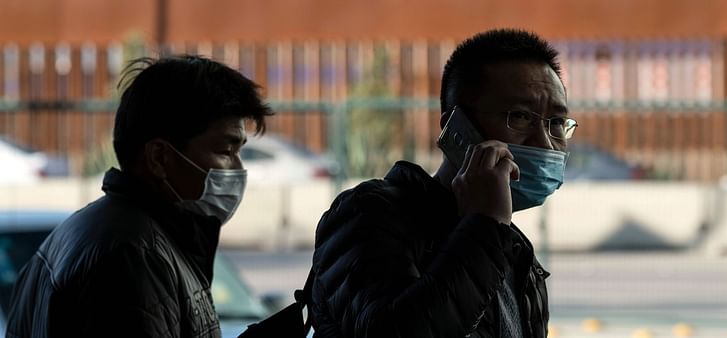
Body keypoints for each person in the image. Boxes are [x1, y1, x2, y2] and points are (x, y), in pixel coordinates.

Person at [308, 29, 577, 338]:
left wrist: (488, 230)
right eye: (519, 117)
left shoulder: (515, 254)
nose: (545, 143)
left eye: (556, 123)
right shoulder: (369, 215)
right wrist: (485, 225)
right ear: (457, 126)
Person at [6, 55, 272, 338]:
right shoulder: (132, 255)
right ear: (159, 157)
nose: (238, 169)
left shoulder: (118, 234)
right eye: (225, 152)